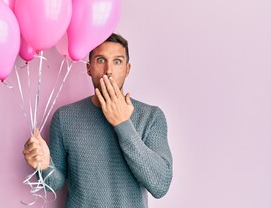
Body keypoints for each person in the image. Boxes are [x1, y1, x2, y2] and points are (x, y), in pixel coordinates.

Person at [23, 33, 173, 208]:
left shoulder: (151, 117)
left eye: (117, 61)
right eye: (101, 60)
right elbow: (53, 184)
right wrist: (43, 165)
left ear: (127, 69)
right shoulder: (64, 117)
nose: (108, 70)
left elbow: (160, 186)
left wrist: (123, 124)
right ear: (88, 68)